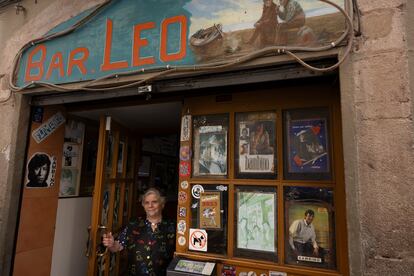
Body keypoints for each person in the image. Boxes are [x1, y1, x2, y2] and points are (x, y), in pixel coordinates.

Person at [103, 188, 176, 276]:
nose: (150, 206)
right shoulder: (133, 224)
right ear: (143, 205)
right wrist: (111, 244)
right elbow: (118, 246)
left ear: (162, 204)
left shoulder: (172, 225)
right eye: (147, 202)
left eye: (154, 202)